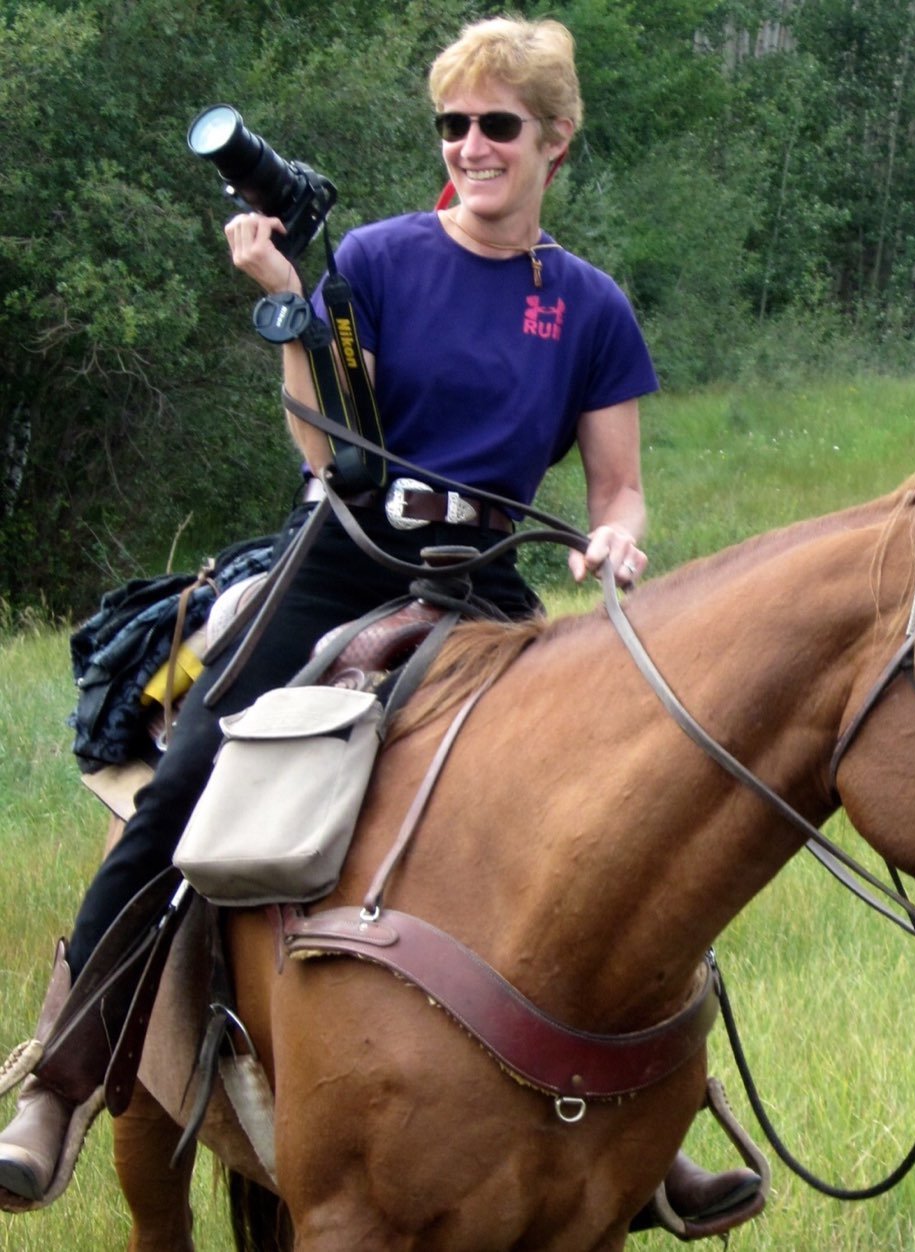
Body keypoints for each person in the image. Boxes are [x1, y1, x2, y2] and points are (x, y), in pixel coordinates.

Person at [0, 14, 758, 1234]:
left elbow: (616, 485)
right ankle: (63, 1079)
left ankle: (661, 1125)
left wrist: (618, 534)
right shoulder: (379, 259)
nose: (470, 146)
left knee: (636, 809)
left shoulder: (590, 307)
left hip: (495, 581)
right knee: (187, 776)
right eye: (453, 125)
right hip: (348, 556)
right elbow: (320, 447)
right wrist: (292, 305)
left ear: (554, 142)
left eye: (497, 126)